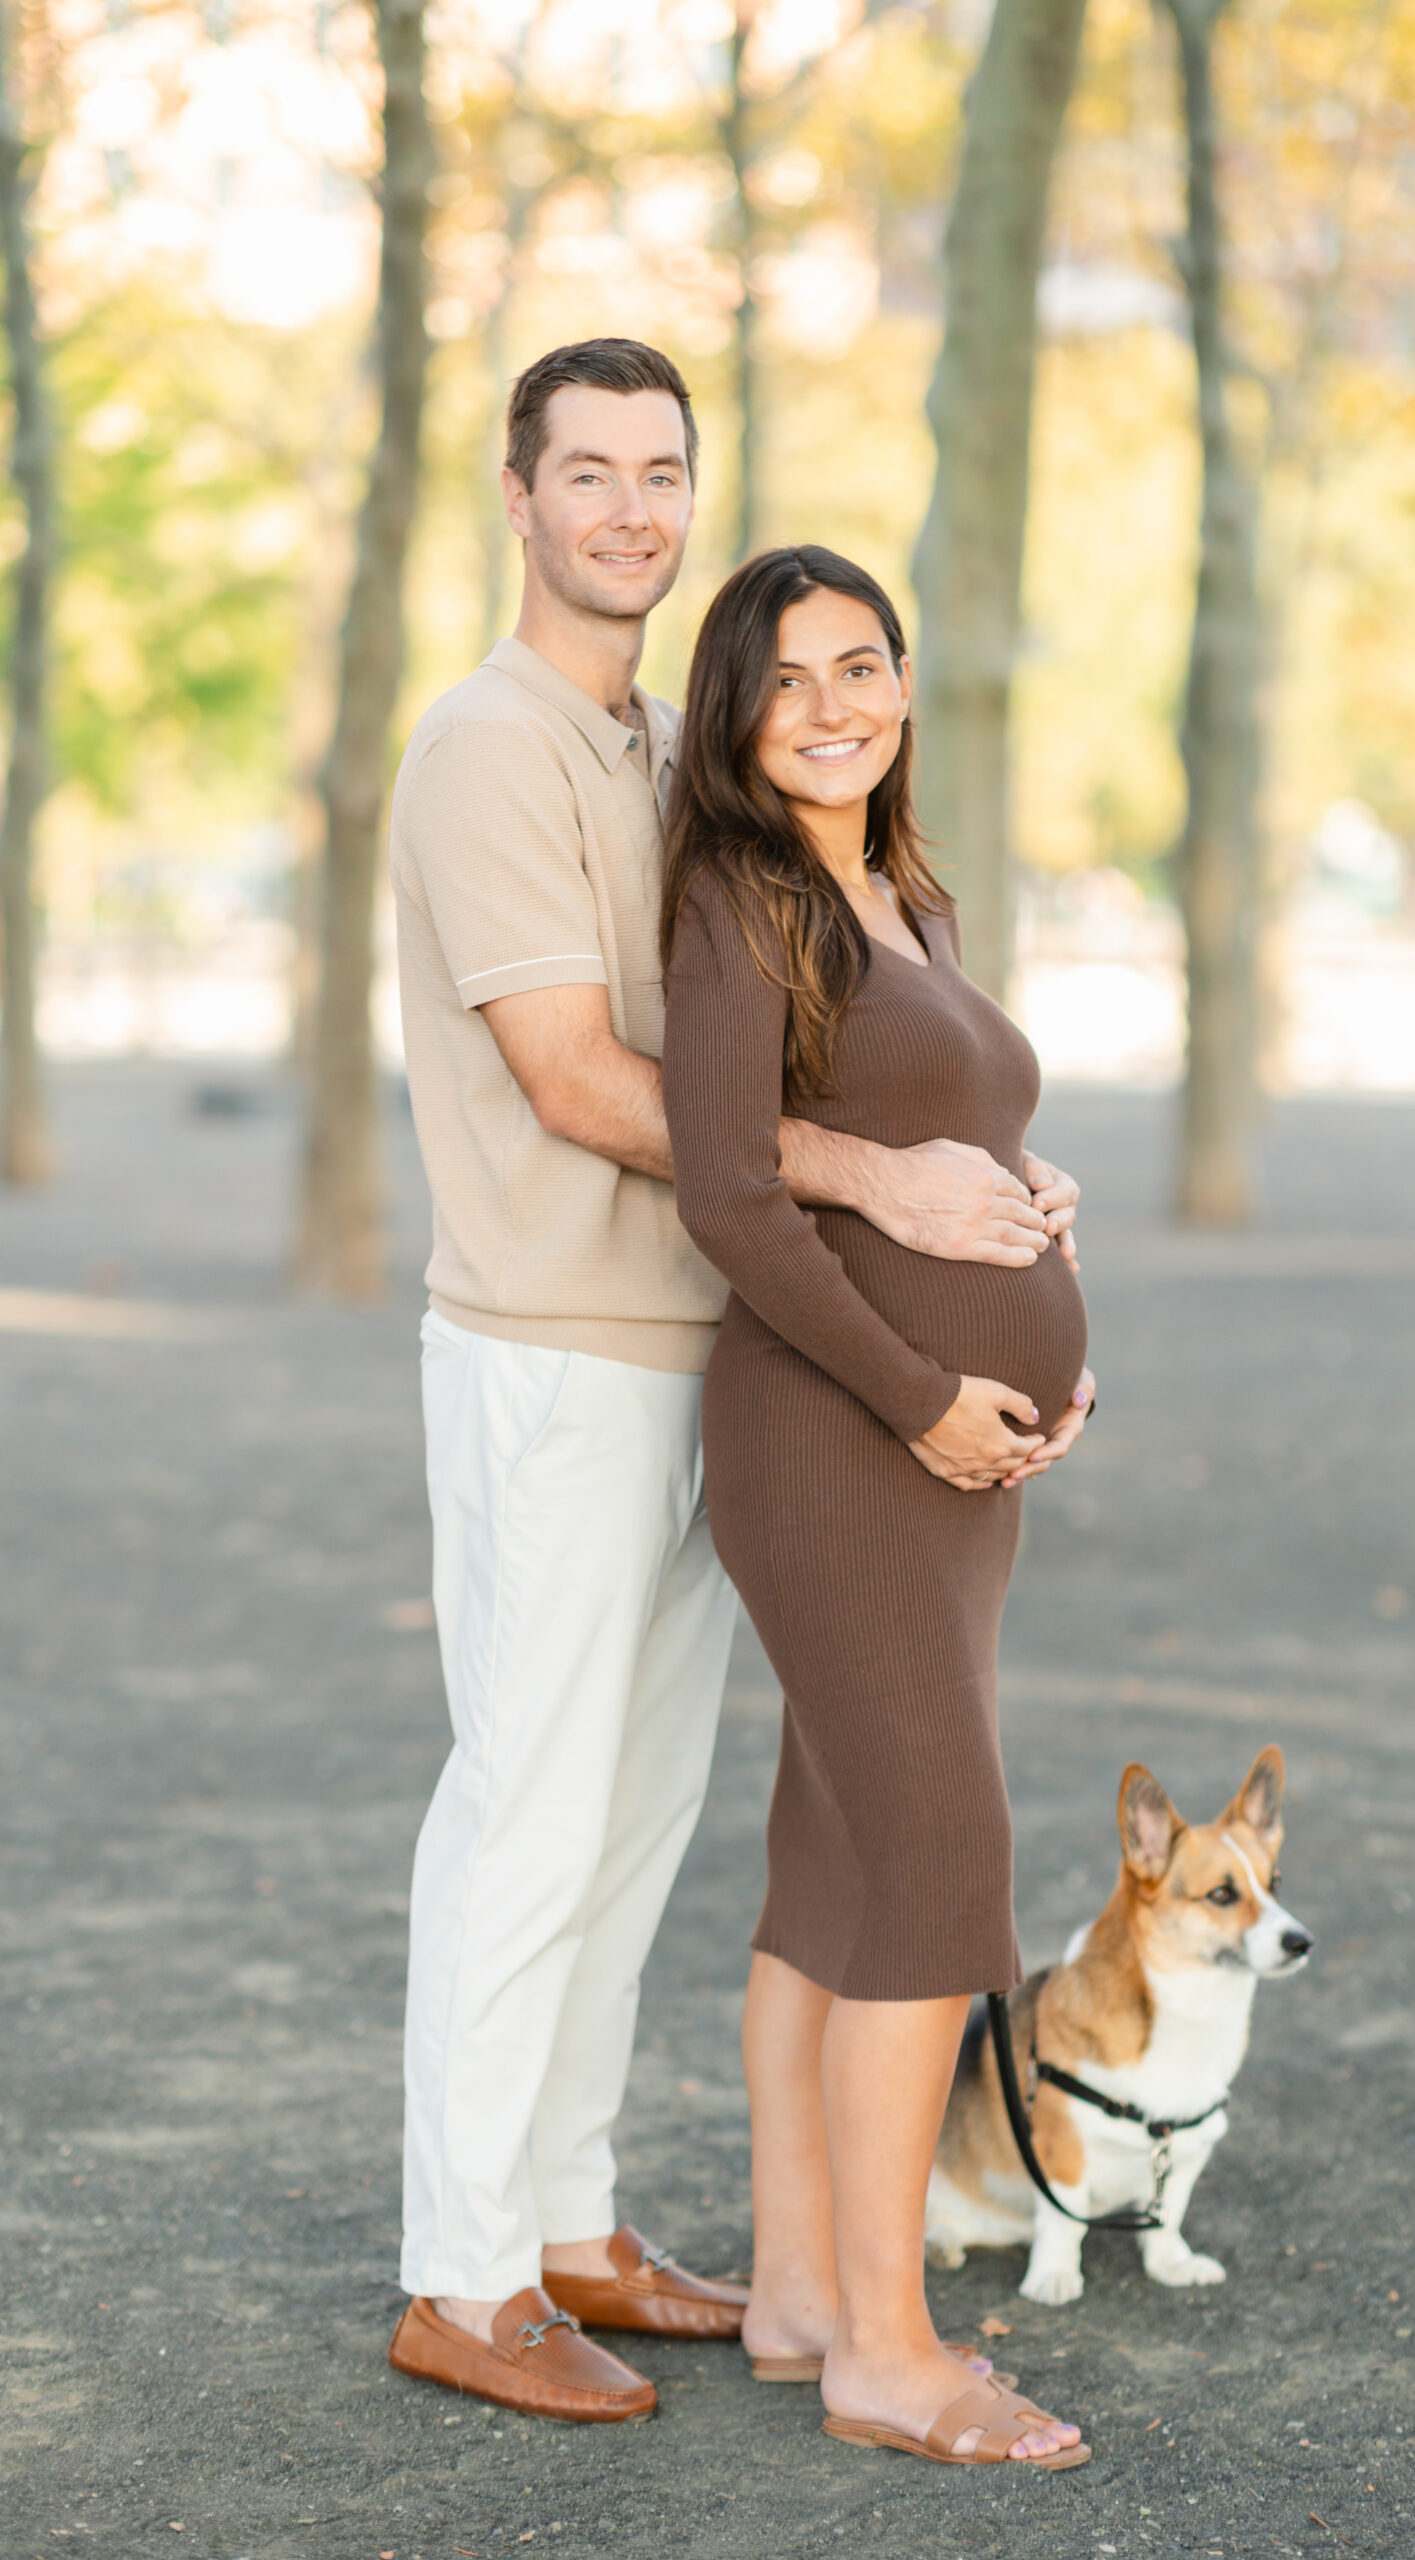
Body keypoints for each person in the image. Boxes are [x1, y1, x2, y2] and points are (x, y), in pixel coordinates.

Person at [382, 342, 1085, 2425]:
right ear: (513, 494)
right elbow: (584, 1078)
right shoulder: (486, 750)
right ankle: (460, 2264)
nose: (622, 505)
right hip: (552, 1341)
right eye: (581, 470)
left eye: (656, 470)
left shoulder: (653, 752)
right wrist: (881, 1172)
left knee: (637, 1814)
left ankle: (570, 2214)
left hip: (705, 1350)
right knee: (526, 1801)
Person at [660, 545, 1096, 2470]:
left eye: (862, 666)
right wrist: (925, 1391)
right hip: (836, 1439)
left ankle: (800, 2293)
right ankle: (893, 2356)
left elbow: (940, 1139)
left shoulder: (892, 891)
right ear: (736, 718)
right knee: (939, 1862)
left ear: (904, 684)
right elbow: (733, 1192)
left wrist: (1032, 1237)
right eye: (787, 681)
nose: (832, 706)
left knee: (837, 1861)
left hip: (946, 1453)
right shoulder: (744, 894)